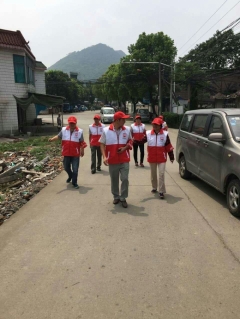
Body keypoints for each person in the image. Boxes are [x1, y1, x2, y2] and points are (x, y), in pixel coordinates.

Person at [99, 111, 133, 208]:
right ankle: (116, 196)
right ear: (118, 120)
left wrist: (125, 148)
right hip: (112, 159)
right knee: (114, 180)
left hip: (124, 159)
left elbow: (131, 141)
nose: (125, 121)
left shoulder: (127, 129)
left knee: (125, 179)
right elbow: (101, 143)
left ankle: (123, 197)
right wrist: (104, 156)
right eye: (123, 119)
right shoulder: (106, 130)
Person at [49, 116, 87, 189]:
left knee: (75, 169)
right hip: (66, 153)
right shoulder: (64, 130)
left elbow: (82, 142)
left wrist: (82, 150)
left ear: (76, 123)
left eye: (73, 123)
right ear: (68, 123)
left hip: (75, 154)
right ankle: (70, 176)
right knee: (66, 167)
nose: (72, 125)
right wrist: (52, 139)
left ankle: (74, 182)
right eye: (70, 123)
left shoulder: (79, 131)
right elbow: (58, 136)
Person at [145, 117, 174, 199]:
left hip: (162, 158)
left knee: (161, 174)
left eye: (157, 125)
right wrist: (134, 141)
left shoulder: (165, 134)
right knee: (153, 174)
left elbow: (168, 146)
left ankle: (161, 191)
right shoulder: (148, 133)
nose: (155, 126)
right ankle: (154, 187)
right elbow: (141, 141)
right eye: (154, 124)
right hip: (152, 157)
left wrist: (171, 156)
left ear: (160, 126)